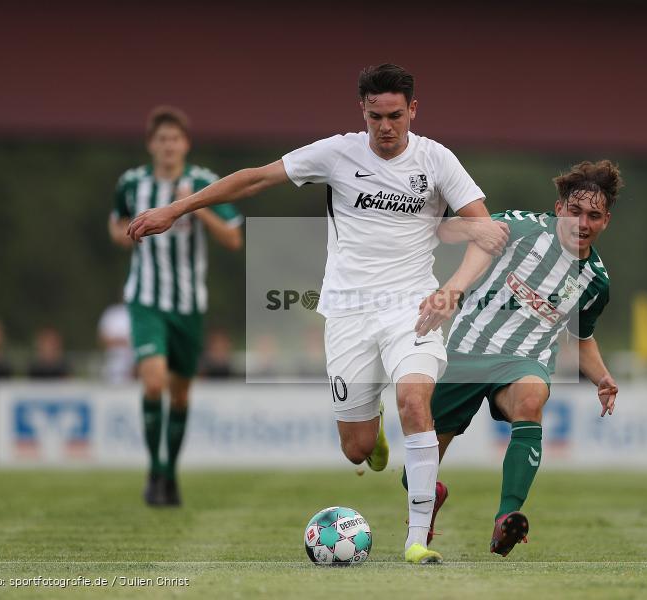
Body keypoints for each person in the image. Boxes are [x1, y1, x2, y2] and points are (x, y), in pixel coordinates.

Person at [126, 64, 508, 563]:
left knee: (415, 402)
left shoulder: (437, 161)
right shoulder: (337, 152)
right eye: (376, 116)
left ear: (413, 110)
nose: (386, 127)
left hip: (411, 307)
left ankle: (416, 539)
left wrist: (452, 290)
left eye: (396, 115)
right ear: (363, 112)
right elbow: (255, 179)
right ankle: (375, 444)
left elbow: (487, 234)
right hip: (348, 312)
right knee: (355, 447)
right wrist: (179, 208)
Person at [411, 160, 621, 557]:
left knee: (530, 399)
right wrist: (463, 240)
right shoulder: (519, 227)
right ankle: (429, 492)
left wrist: (603, 378)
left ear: (606, 221)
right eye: (575, 212)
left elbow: (581, 337)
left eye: (594, 216)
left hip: (525, 361)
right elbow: (449, 230)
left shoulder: (596, 281)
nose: (582, 223)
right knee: (415, 471)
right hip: (464, 352)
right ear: (559, 208)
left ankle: (506, 519)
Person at [109, 106, 244, 507]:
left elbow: (234, 239)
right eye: (161, 139)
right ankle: (156, 471)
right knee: (153, 382)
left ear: (186, 144)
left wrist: (195, 208)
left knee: (181, 395)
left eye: (175, 139)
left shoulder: (203, 183)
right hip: (146, 300)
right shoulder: (132, 183)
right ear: (151, 144)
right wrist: (128, 233)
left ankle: (171, 474)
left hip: (188, 305)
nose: (168, 146)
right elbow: (116, 223)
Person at [97, 303, 134, 384]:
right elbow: (103, 338)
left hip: (135, 365)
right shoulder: (111, 313)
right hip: (113, 365)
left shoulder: (139, 312)